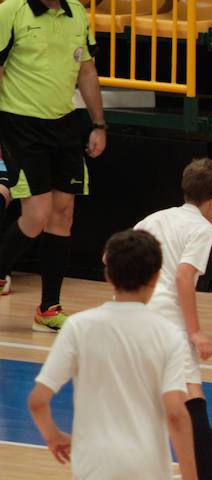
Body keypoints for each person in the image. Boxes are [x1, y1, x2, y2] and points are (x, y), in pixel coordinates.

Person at [27, 229, 212, 480]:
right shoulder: (167, 334)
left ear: (107, 273)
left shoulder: (80, 326)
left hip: (96, 467)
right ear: (157, 276)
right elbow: (177, 414)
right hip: (147, 470)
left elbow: (37, 399)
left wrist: (53, 435)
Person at [134, 158, 212, 480]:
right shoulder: (203, 229)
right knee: (192, 398)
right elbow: (185, 277)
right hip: (168, 320)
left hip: (134, 314)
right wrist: (195, 331)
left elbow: (112, 256)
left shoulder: (154, 219)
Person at [0, 0, 106, 329]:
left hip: (64, 126)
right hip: (21, 126)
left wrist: (98, 124)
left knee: (63, 215)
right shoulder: (11, 11)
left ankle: (48, 308)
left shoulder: (77, 12)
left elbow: (86, 71)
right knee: (36, 216)